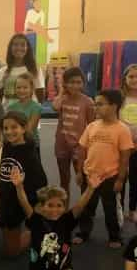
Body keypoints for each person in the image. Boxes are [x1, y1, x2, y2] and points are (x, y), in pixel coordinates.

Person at [7, 167, 98, 270]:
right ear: (42, 206)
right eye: (50, 205)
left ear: (64, 206)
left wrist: (90, 188)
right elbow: (24, 202)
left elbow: (80, 205)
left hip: (63, 269)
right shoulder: (36, 220)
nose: (55, 210)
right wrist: (19, 186)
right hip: (41, 269)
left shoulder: (67, 220)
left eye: (59, 205)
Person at [73, 90, 134, 248]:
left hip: (110, 177)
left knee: (110, 209)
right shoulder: (91, 126)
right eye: (95, 104)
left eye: (100, 104)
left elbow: (125, 157)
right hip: (89, 175)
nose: (95, 107)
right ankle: (83, 232)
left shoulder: (122, 129)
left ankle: (114, 237)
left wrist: (120, 179)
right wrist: (79, 172)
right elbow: (82, 150)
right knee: (86, 207)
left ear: (114, 106)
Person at [0, 111, 47, 256]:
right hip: (7, 200)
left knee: (13, 251)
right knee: (11, 250)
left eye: (14, 127)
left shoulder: (30, 153)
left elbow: (41, 182)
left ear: (24, 128)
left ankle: (37, 231)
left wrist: (34, 207)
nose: (9, 132)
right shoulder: (5, 148)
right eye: (6, 128)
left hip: (24, 199)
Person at [52, 67, 94, 199]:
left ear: (83, 83)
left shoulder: (87, 102)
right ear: (65, 84)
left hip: (79, 146)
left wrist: (90, 145)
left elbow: (92, 125)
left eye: (78, 82)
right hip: (62, 145)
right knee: (64, 180)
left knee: (82, 179)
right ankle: (63, 209)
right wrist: (61, 91)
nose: (75, 85)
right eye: (71, 82)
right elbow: (55, 107)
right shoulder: (62, 99)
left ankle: (84, 211)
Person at [0, 34, 45, 110]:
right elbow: (1, 94)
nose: (19, 48)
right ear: (10, 48)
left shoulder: (35, 69)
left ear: (27, 48)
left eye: (23, 45)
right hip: (9, 113)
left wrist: (35, 113)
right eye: (15, 45)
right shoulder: (3, 71)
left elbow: (40, 95)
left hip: (29, 113)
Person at [7, 73, 42, 159]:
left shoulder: (36, 107)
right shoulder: (11, 107)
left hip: (30, 144)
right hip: (14, 143)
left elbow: (30, 129)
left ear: (31, 89)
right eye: (18, 87)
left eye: (25, 87)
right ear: (15, 89)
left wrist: (13, 132)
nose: (21, 90)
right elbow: (8, 127)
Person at [120, 64, 137, 222]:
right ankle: (120, 209)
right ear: (125, 79)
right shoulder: (120, 98)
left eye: (136, 76)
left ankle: (132, 210)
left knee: (135, 179)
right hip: (121, 145)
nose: (134, 79)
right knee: (121, 178)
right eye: (131, 76)